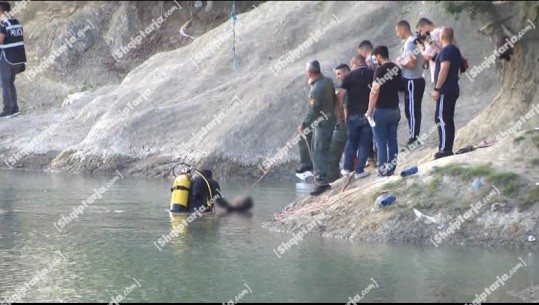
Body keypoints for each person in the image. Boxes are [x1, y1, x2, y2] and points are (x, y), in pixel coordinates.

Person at [299, 60, 336, 196]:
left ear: (309, 72)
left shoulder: (316, 89)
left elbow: (313, 110)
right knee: (323, 148)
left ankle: (322, 182)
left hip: (322, 122)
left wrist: (304, 125)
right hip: (330, 117)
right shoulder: (328, 81)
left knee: (318, 149)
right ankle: (327, 177)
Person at [366, 46, 402, 177]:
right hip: (395, 110)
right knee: (393, 140)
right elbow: (401, 88)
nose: (375, 61)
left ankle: (382, 170)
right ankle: (391, 169)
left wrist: (369, 111)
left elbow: (374, 91)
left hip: (381, 111)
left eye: (375, 58)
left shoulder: (379, 71)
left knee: (380, 142)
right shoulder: (397, 69)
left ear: (379, 56)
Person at [337, 55, 374, 179]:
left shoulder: (350, 76)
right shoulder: (372, 73)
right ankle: (359, 171)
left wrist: (340, 111)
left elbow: (341, 94)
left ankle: (346, 168)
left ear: (354, 63)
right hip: (368, 115)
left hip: (352, 114)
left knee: (352, 142)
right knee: (364, 143)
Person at [432, 27, 462, 160]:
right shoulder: (455, 50)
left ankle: (444, 149)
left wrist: (437, 89)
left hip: (445, 90)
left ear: (442, 36)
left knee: (441, 118)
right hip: (453, 87)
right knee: (447, 118)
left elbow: (444, 70)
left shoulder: (446, 51)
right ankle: (447, 147)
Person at [396, 20, 426, 149]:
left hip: (413, 79)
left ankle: (414, 138)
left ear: (403, 29)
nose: (397, 34)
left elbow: (412, 64)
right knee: (411, 109)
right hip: (414, 79)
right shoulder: (413, 41)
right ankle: (413, 136)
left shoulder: (410, 43)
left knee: (412, 110)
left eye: (397, 31)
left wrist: (400, 62)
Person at [0, 1, 26, 118]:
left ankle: (7, 110)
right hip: (19, 58)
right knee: (10, 83)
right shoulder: (16, 22)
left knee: (5, 83)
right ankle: (15, 109)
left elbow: (1, 39)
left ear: (2, 12)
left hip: (7, 58)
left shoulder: (2, 24)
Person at [328, 63, 350, 183]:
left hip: (344, 125)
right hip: (349, 123)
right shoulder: (349, 85)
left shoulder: (345, 88)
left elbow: (345, 107)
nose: (337, 77)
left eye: (339, 74)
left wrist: (344, 123)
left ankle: (332, 181)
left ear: (346, 72)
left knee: (333, 154)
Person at [357, 40, 377, 167]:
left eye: (361, 53)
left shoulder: (370, 61)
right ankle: (373, 158)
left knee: (372, 129)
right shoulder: (378, 57)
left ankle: (373, 159)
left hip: (373, 96)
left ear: (364, 51)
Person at [416, 17, 443, 83]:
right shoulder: (441, 31)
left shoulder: (432, 35)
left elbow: (427, 56)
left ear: (426, 25)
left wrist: (420, 48)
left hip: (440, 72)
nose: (421, 34)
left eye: (421, 30)